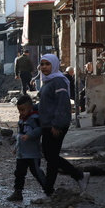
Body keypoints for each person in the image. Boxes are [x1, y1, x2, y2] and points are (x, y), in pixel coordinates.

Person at [37, 54, 90, 196]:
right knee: (51, 157)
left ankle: (78, 176)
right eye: (42, 64)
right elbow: (46, 103)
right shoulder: (48, 81)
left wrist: (57, 124)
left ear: (54, 65)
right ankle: (49, 190)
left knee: (51, 157)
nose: (44, 67)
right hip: (47, 124)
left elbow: (63, 104)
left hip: (55, 125)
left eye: (47, 64)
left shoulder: (59, 81)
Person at [8, 95, 47, 202]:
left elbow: (39, 130)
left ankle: (48, 189)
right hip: (21, 153)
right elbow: (19, 135)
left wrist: (30, 135)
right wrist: (16, 147)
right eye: (19, 110)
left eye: (23, 110)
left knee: (36, 172)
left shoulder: (34, 119)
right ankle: (18, 192)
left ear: (30, 108)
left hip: (32, 153)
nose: (21, 112)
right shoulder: (22, 120)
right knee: (19, 173)